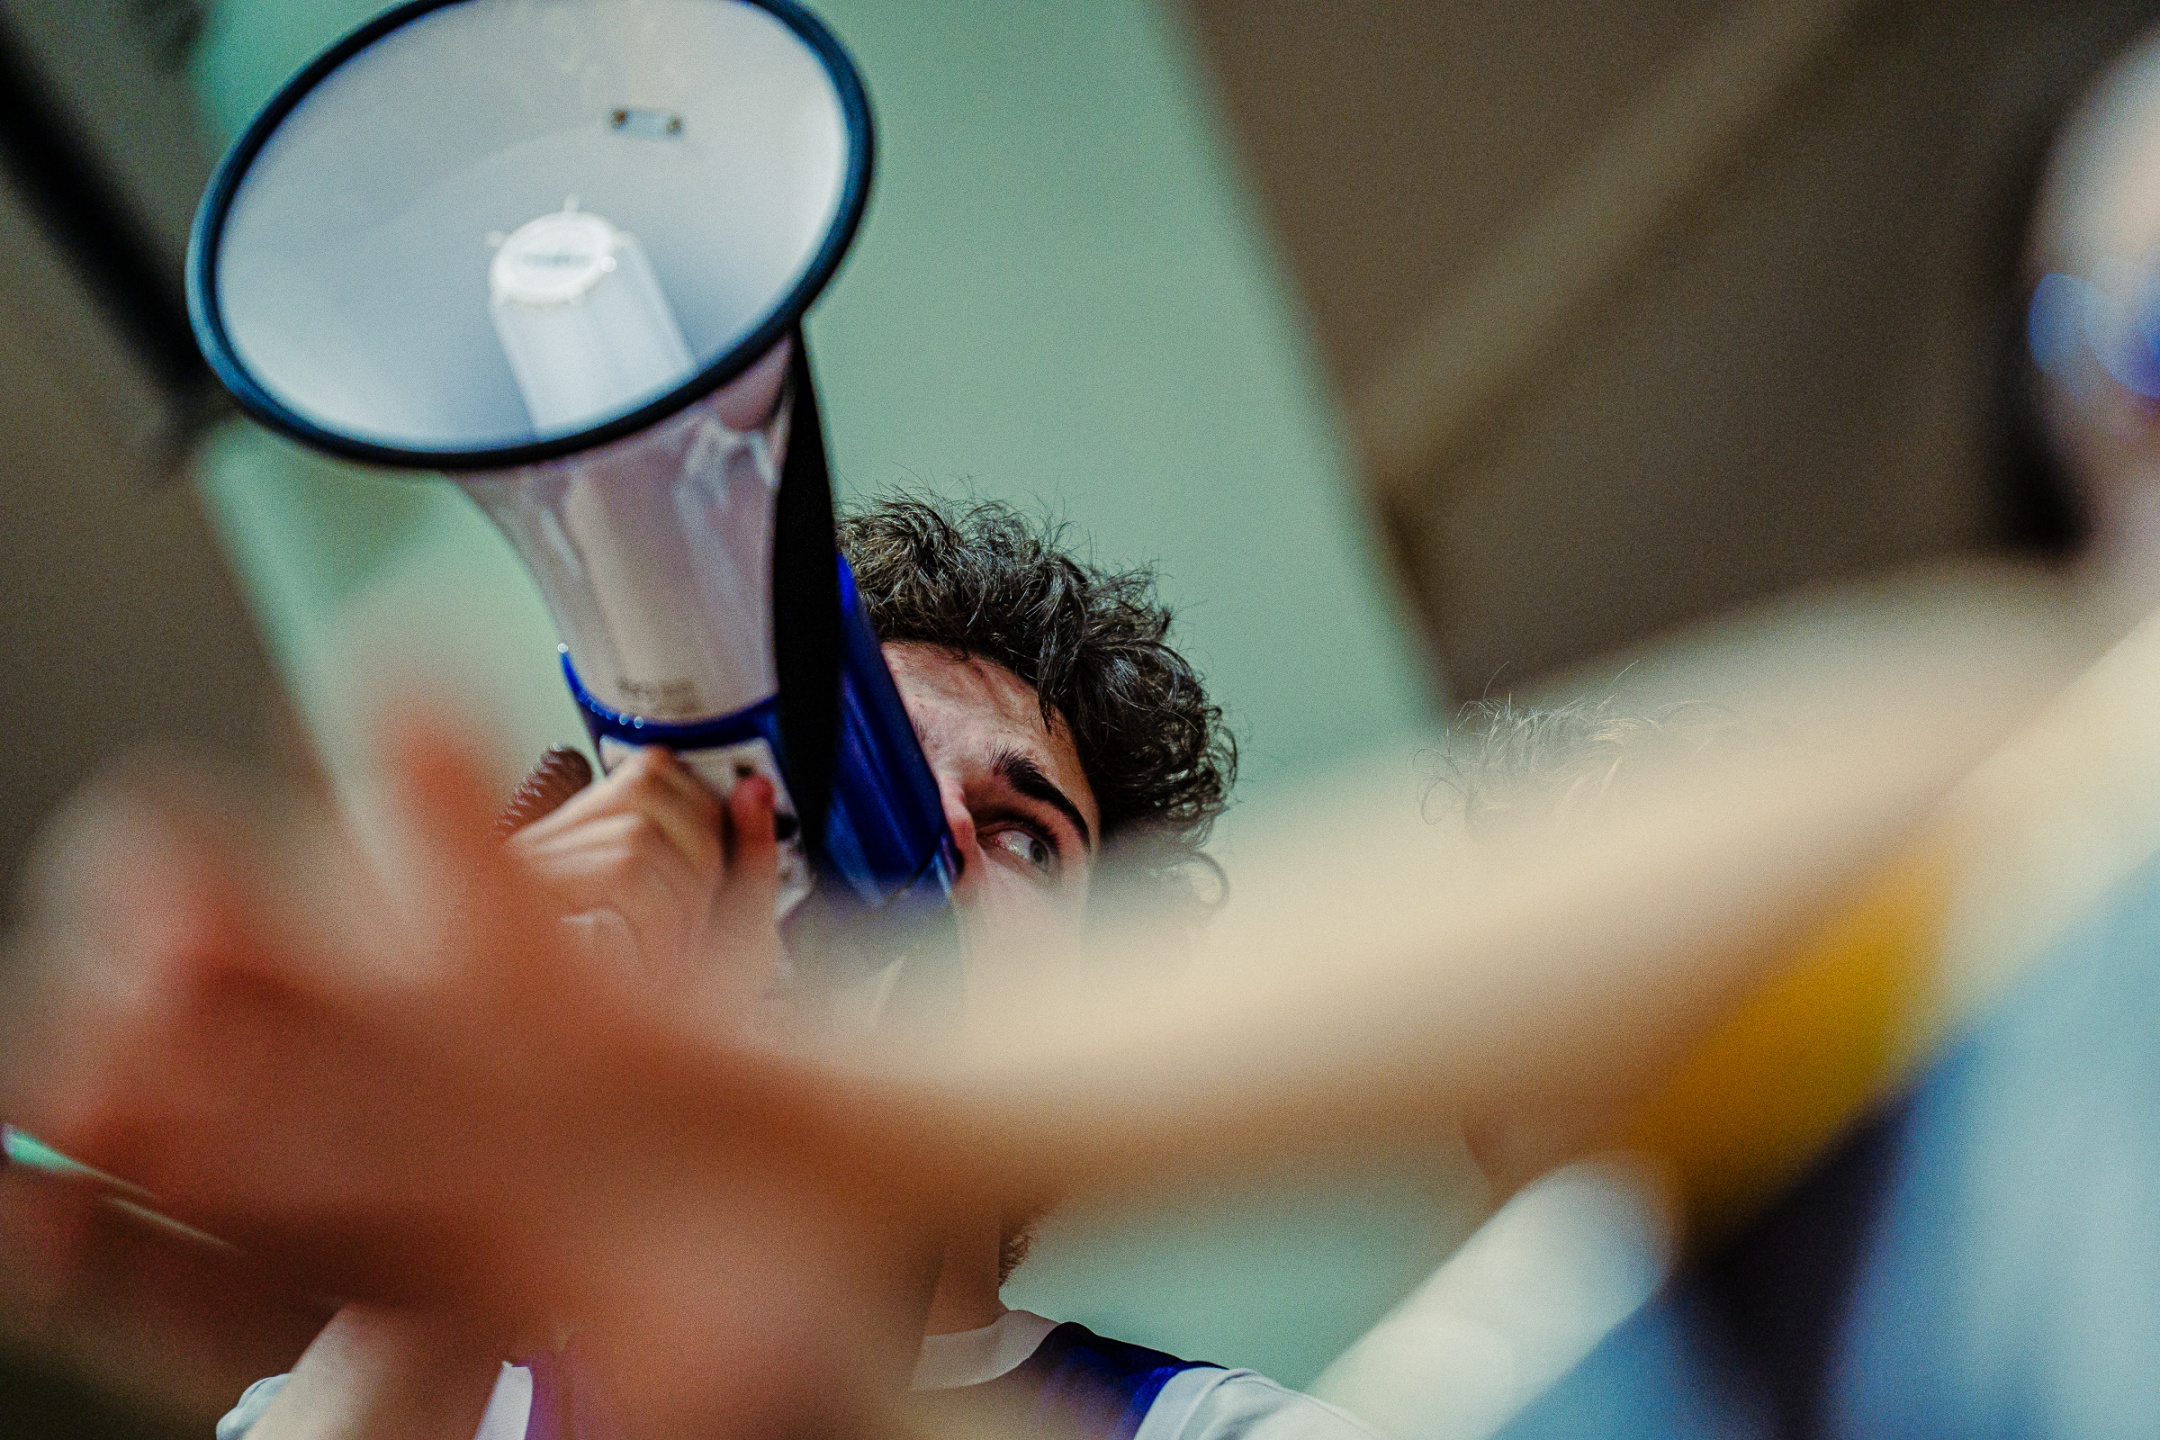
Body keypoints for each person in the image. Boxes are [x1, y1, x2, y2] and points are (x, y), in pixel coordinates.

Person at [206, 495, 1378, 1440]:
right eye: (862, 783)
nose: (932, 841)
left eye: (1023, 836)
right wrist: (488, 1173)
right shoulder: (447, 1407)